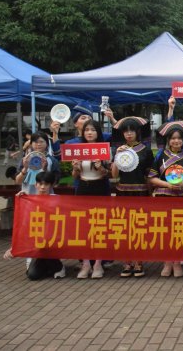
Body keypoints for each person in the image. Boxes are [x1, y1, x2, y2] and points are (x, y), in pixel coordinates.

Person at [149, 122, 183, 277]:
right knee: (165, 231)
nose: (176, 141)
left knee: (180, 230)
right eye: (173, 138)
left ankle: (177, 262)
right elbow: (152, 177)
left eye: (179, 138)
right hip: (164, 196)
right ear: (168, 140)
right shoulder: (160, 156)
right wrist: (167, 184)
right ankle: (167, 262)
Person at [111, 117, 154, 278]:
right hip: (123, 191)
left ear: (137, 132)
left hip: (140, 192)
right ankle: (126, 261)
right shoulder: (120, 150)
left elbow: (149, 174)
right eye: (126, 131)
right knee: (124, 227)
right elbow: (114, 174)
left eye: (132, 131)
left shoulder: (145, 150)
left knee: (139, 227)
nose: (129, 134)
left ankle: (139, 261)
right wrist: (117, 155)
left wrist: (150, 192)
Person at [3, 171, 66, 280]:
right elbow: (24, 226)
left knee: (44, 246)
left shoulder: (57, 200)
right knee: (32, 275)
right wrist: (15, 248)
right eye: (40, 184)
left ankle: (59, 267)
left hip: (53, 240)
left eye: (46, 184)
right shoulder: (29, 201)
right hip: (37, 242)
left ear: (51, 185)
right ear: (36, 184)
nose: (43, 187)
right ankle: (47, 265)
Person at [72, 120, 110, 279]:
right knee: (83, 227)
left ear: (98, 132)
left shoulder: (104, 149)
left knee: (99, 225)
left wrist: (100, 166)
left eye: (93, 130)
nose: (89, 132)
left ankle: (98, 264)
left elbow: (108, 174)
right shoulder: (78, 150)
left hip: (99, 188)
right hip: (83, 188)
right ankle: (86, 263)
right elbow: (75, 175)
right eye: (87, 130)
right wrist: (76, 168)